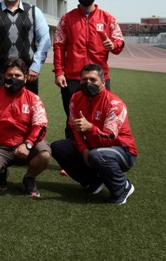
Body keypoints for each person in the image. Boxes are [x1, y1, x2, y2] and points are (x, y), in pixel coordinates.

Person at [51, 64, 137, 204]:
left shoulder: (114, 104)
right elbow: (74, 128)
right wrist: (83, 150)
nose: (88, 83)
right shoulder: (76, 98)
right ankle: (93, 182)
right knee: (57, 147)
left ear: (103, 82)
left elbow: (109, 139)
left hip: (122, 150)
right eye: (84, 80)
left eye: (93, 79)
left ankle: (123, 187)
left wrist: (90, 128)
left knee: (97, 155)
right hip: (93, 147)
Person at [53, 0, 125, 138]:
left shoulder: (108, 19)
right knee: (72, 120)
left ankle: (99, 156)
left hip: (100, 78)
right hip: (73, 78)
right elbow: (59, 46)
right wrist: (59, 72)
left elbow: (119, 42)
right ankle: (73, 156)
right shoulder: (66, 19)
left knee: (103, 117)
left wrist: (113, 46)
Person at [0, 58, 51, 197]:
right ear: (4, 77)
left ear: (25, 78)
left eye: (17, 76)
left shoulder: (33, 99)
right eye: (9, 75)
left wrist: (27, 144)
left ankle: (29, 178)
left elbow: (41, 125)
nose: (13, 78)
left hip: (25, 144)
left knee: (44, 155)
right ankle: (1, 171)